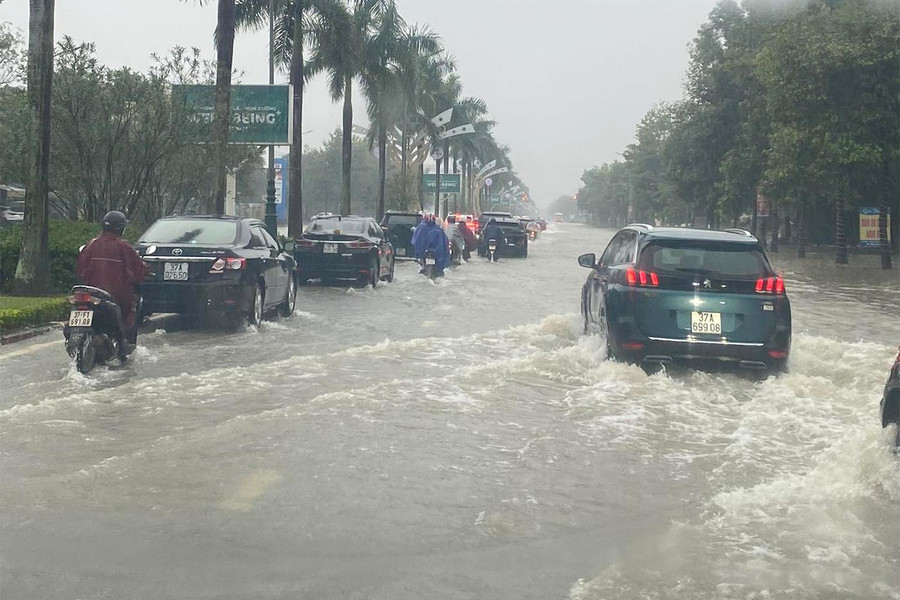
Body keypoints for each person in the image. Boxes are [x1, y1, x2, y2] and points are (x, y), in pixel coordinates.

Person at [76, 211, 148, 357]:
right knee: (131, 310)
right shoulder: (124, 246)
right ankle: (125, 344)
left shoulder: (91, 244)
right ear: (121, 228)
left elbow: (79, 269)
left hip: (90, 293)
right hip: (115, 296)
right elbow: (138, 269)